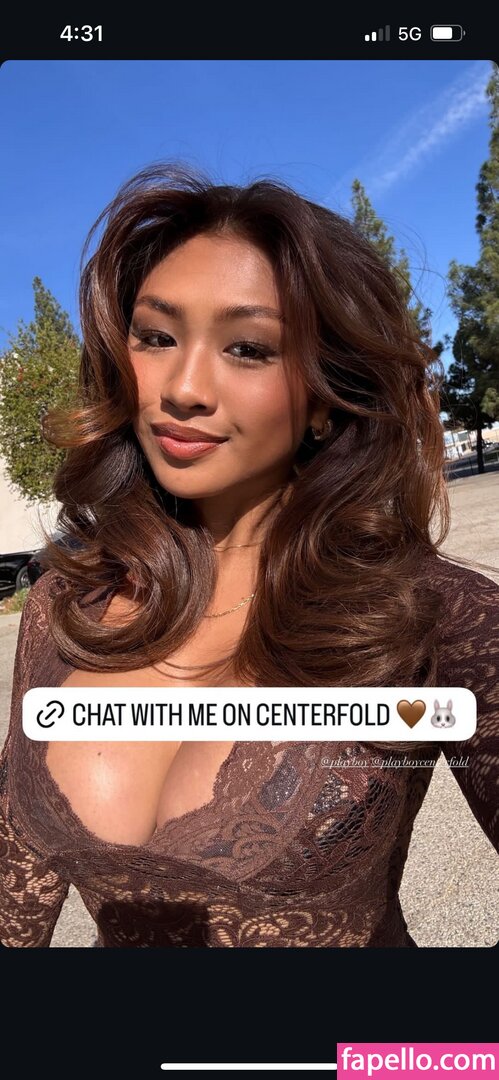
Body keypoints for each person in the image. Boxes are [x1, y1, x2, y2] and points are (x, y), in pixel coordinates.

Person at [1, 162, 498, 948]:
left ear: (325, 397)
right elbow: (15, 875)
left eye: (247, 347)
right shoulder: (68, 606)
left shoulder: (434, 617)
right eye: (156, 337)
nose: (183, 387)